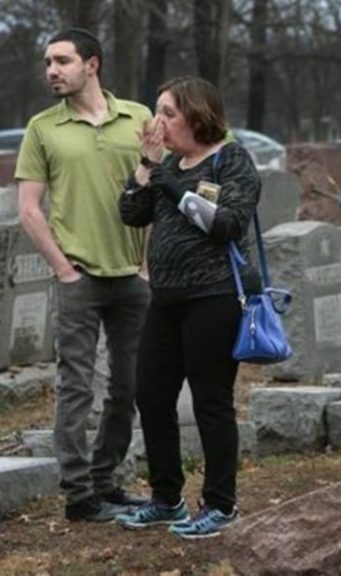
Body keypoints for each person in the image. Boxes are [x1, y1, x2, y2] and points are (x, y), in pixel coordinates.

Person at [114, 76, 261, 539]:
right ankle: (166, 498)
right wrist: (147, 165)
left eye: (168, 113)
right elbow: (131, 213)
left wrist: (171, 183)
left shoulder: (230, 159)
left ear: (197, 115)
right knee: (152, 395)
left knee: (210, 401)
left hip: (214, 297)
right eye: (156, 112)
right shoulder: (168, 164)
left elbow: (227, 224)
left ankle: (221, 503)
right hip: (167, 298)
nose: (157, 123)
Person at [16, 28, 152, 523]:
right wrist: (63, 269)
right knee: (75, 387)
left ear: (91, 64)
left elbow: (157, 189)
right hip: (79, 277)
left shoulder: (138, 118)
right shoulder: (42, 128)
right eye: (47, 62)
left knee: (130, 385)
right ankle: (78, 495)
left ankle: (106, 480)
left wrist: (146, 263)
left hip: (132, 278)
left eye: (62, 60)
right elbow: (29, 209)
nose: (51, 70)